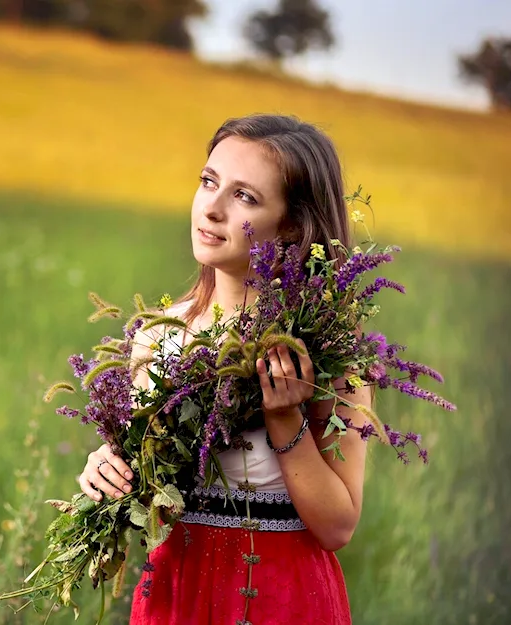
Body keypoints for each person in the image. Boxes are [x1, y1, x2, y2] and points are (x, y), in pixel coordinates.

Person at [77, 114, 370, 624]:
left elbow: (337, 527)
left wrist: (285, 419)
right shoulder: (158, 335)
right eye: (209, 182)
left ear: (294, 224)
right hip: (177, 588)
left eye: (245, 197)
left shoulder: (324, 351)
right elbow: (158, 494)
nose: (210, 209)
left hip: (280, 595)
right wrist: (109, 467)